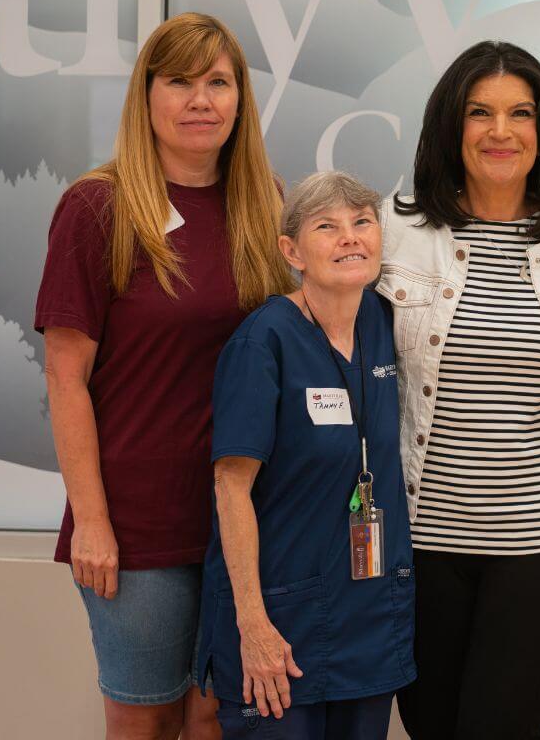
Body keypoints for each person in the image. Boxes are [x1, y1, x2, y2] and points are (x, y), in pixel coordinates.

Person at [35, 12, 290, 740]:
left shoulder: (265, 203)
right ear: (145, 95)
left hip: (244, 519)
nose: (201, 100)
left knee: (218, 719)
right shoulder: (98, 207)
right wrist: (92, 521)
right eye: (179, 81)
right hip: (137, 525)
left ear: (240, 98)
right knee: (145, 721)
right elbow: (65, 378)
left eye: (219, 82)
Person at [378, 40, 540, 740]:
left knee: (504, 722)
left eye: (520, 113)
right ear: (450, 126)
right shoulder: (395, 230)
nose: (501, 131)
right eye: (480, 112)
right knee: (431, 721)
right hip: (421, 534)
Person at [199, 171, 414, 739]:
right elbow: (230, 487)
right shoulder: (263, 341)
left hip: (370, 618)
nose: (350, 237)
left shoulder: (386, 323)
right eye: (327, 226)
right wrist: (252, 625)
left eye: (362, 222)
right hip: (280, 621)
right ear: (291, 251)